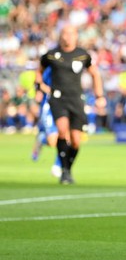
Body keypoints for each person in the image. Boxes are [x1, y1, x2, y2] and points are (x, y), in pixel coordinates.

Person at [35, 25, 106, 184]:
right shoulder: (51, 55)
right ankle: (65, 172)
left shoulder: (82, 55)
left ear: (76, 36)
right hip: (58, 98)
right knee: (62, 131)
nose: (66, 37)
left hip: (76, 99)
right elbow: (38, 71)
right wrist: (40, 86)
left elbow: (95, 74)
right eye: (64, 34)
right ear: (60, 36)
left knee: (76, 140)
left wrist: (99, 96)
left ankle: (67, 168)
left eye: (70, 34)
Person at [31, 66, 63, 178]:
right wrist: (53, 92)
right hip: (49, 107)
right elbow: (39, 83)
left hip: (65, 106)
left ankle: (57, 166)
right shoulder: (50, 68)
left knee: (66, 137)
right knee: (53, 141)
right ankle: (42, 139)